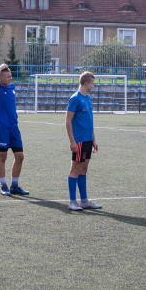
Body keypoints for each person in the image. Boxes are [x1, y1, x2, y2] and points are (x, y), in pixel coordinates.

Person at [0, 64, 30, 196]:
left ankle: (15, 185)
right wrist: (1, 67)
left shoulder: (12, 87)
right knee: (3, 156)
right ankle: (3, 185)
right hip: (2, 127)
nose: (10, 78)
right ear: (0, 78)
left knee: (20, 156)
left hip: (14, 127)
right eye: (7, 76)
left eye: (10, 76)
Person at [65, 71, 101, 211]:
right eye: (93, 83)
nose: (93, 85)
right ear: (86, 83)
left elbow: (89, 121)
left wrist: (93, 139)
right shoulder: (75, 99)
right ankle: (72, 202)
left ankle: (84, 200)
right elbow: (68, 121)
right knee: (75, 169)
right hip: (79, 140)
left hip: (87, 140)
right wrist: (72, 141)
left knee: (84, 169)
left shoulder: (88, 98)